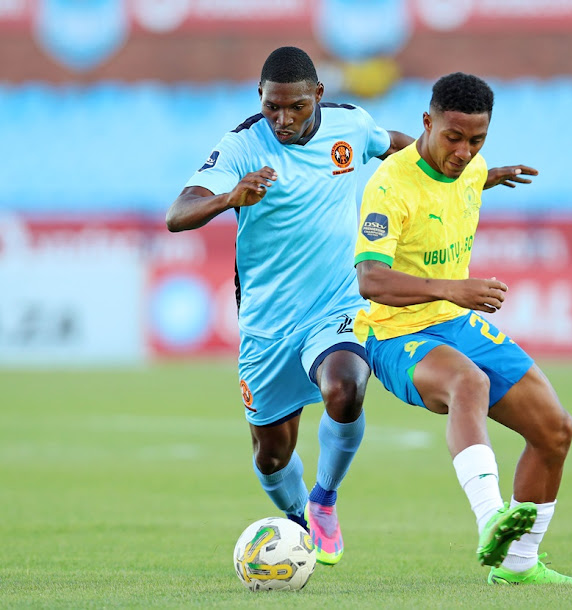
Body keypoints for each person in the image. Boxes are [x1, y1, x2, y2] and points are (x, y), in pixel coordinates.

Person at [166, 46, 412, 566]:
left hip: (336, 306)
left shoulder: (351, 126)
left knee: (346, 384)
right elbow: (178, 214)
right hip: (268, 326)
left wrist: (462, 172)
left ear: (318, 95)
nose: (282, 119)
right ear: (260, 97)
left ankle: (324, 497)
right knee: (272, 454)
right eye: (272, 105)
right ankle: (299, 519)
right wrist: (228, 197)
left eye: (295, 106)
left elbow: (401, 148)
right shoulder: (240, 146)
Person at [353, 72, 572, 585]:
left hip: (455, 323)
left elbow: (464, 177)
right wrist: (451, 288)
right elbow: (370, 279)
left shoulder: (471, 165)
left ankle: (519, 564)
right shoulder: (389, 185)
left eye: (476, 140)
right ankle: (489, 520)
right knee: (469, 383)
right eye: (453, 138)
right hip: (394, 331)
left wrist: (492, 171)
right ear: (427, 122)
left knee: (555, 430)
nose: (463, 152)